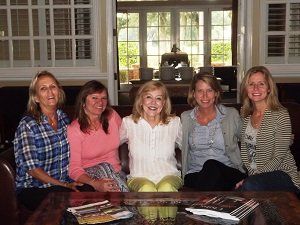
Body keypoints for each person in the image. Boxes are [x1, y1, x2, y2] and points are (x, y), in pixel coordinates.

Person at [14, 71, 80, 211]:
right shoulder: (28, 125)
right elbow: (33, 170)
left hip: (63, 184)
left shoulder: (63, 118)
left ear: (59, 91)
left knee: (89, 192)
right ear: (36, 97)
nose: (50, 92)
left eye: (53, 87)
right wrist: (63, 185)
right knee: (67, 199)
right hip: (33, 188)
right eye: (43, 88)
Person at [120, 80, 182, 221]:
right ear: (141, 100)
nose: (153, 102)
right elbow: (109, 146)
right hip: (138, 177)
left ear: (164, 103)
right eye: (148, 97)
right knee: (147, 188)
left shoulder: (175, 122)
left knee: (166, 187)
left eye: (158, 98)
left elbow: (189, 146)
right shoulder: (128, 123)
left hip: (170, 175)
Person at [236, 66, 300, 193]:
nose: (256, 88)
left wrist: (253, 177)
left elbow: (278, 158)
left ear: (269, 88)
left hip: (283, 174)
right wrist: (251, 175)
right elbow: (245, 150)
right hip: (256, 177)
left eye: (261, 84)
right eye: (251, 84)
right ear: (246, 88)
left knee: (250, 186)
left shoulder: (281, 114)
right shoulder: (245, 112)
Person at [181, 72, 246, 191]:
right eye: (200, 91)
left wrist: (254, 174)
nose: (205, 96)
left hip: (227, 172)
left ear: (216, 93)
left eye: (209, 90)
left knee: (211, 165)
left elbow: (249, 141)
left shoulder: (231, 115)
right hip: (196, 174)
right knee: (208, 172)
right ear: (194, 94)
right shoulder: (185, 118)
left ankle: (204, 204)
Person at [67, 80, 128, 192]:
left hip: (116, 173)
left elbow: (129, 137)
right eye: (94, 98)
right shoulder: (74, 130)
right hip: (89, 176)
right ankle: (127, 204)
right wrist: (95, 183)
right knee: (104, 166)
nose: (100, 102)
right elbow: (73, 169)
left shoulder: (112, 116)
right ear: (83, 101)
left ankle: (124, 206)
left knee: (109, 170)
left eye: (104, 98)